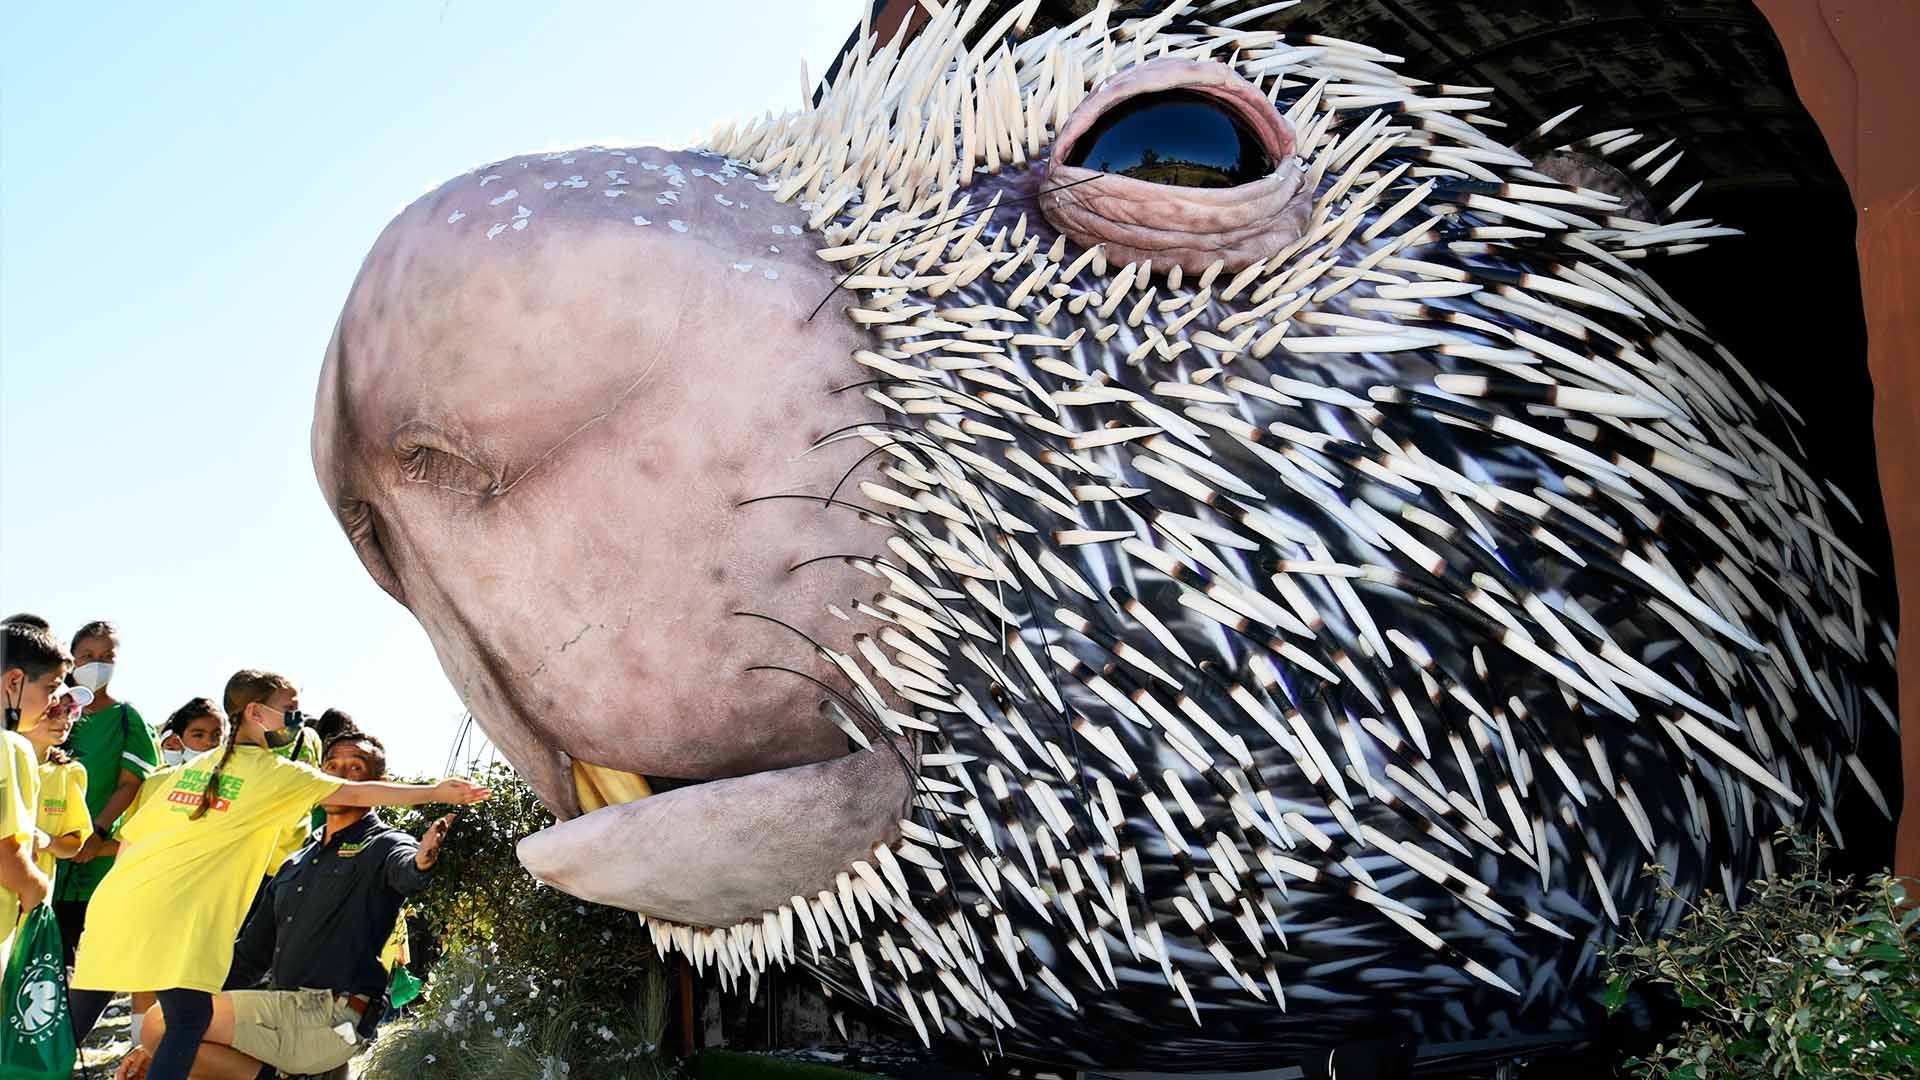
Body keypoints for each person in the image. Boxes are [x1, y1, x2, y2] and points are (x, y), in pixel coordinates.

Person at [66, 669, 489, 1080]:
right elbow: (357, 793)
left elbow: (130, 842)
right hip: (177, 917)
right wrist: (436, 791)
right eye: (289, 708)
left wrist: (419, 859)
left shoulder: (192, 769)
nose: (295, 719)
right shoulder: (273, 774)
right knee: (185, 1022)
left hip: (117, 903)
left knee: (76, 1022)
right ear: (255, 713)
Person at [118, 731, 458, 1080]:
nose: (339, 777)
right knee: (173, 1044)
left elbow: (406, 870)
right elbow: (250, 957)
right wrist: (160, 1043)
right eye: (331, 767)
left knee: (160, 1024)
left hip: (331, 1018)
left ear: (379, 785)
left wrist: (421, 861)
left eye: (354, 768)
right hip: (283, 1017)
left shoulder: (384, 844)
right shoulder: (295, 862)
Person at [55, 619, 163, 967]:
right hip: (46, 852)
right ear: (71, 659)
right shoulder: (50, 713)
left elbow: (128, 784)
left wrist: (96, 833)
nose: (96, 664)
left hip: (96, 856)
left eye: (106, 656)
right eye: (87, 655)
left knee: (89, 953)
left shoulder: (126, 719)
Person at [1, 622, 64, 958]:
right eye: (51, 688)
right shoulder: (11, 746)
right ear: (14, 681)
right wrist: (36, 886)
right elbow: (4, 853)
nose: (53, 703)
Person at [24, 681, 92, 878]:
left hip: (34, 903)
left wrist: (47, 841)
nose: (65, 719)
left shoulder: (71, 772)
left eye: (70, 710)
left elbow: (75, 844)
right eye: (53, 711)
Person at [159, 698, 228, 767]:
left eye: (217, 734)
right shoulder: (164, 776)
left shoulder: (233, 771)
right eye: (199, 735)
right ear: (179, 739)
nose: (209, 742)